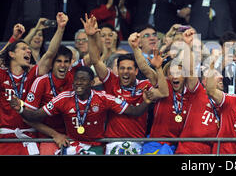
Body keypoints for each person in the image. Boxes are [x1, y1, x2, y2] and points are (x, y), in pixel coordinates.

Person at [8, 66, 153, 155]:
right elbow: (35, 116)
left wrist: (146, 102)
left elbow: (134, 111)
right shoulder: (63, 98)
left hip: (96, 146)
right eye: (76, 79)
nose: (78, 83)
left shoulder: (104, 98)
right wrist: (20, 108)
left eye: (83, 80)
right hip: (72, 145)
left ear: (91, 83)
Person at [82, 14, 169, 155]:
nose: (125, 72)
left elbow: (164, 92)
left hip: (138, 144)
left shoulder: (144, 86)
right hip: (113, 143)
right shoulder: (111, 82)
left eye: (129, 68)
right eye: (122, 68)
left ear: (136, 71)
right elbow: (96, 61)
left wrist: (157, 68)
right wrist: (91, 37)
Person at [0, 12, 68, 155]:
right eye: (24, 49)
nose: (29, 51)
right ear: (12, 54)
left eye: (29, 49)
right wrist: (13, 39)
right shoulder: (3, 75)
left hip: (29, 138)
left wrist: (60, 29)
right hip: (5, 139)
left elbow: (49, 54)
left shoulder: (32, 74)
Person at [22, 45, 90, 155]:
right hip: (49, 138)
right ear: (52, 64)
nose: (62, 65)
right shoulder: (41, 82)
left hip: (74, 137)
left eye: (66, 61)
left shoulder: (75, 79)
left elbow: (94, 57)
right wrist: (55, 135)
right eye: (58, 61)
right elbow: (27, 118)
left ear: (70, 63)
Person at [175, 28, 223, 154]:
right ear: (205, 81)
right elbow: (189, 71)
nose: (221, 77)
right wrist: (186, 45)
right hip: (187, 149)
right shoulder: (198, 92)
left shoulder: (227, 100)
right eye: (215, 74)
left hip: (210, 151)